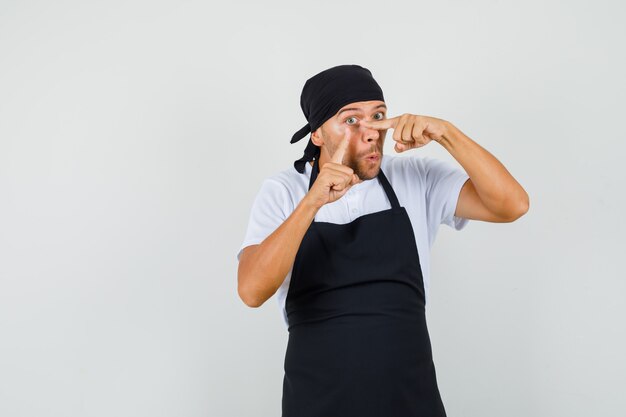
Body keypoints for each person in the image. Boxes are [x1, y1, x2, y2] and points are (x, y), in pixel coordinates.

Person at [236, 64, 529, 417]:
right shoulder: (285, 191)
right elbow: (251, 291)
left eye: (378, 115)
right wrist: (312, 201)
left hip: (411, 400)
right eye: (350, 120)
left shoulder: (416, 177)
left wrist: (445, 133)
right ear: (317, 135)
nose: (371, 131)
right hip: (316, 403)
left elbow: (513, 204)